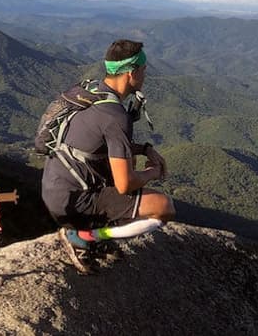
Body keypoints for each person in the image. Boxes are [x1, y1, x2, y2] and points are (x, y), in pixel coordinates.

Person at [41, 39, 176, 273]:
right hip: (76, 201)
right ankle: (84, 236)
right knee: (164, 207)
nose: (145, 75)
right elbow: (125, 184)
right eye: (143, 70)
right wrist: (152, 173)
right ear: (131, 73)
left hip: (57, 190)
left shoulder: (92, 91)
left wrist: (144, 149)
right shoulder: (116, 116)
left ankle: (92, 231)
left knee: (127, 165)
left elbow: (94, 144)